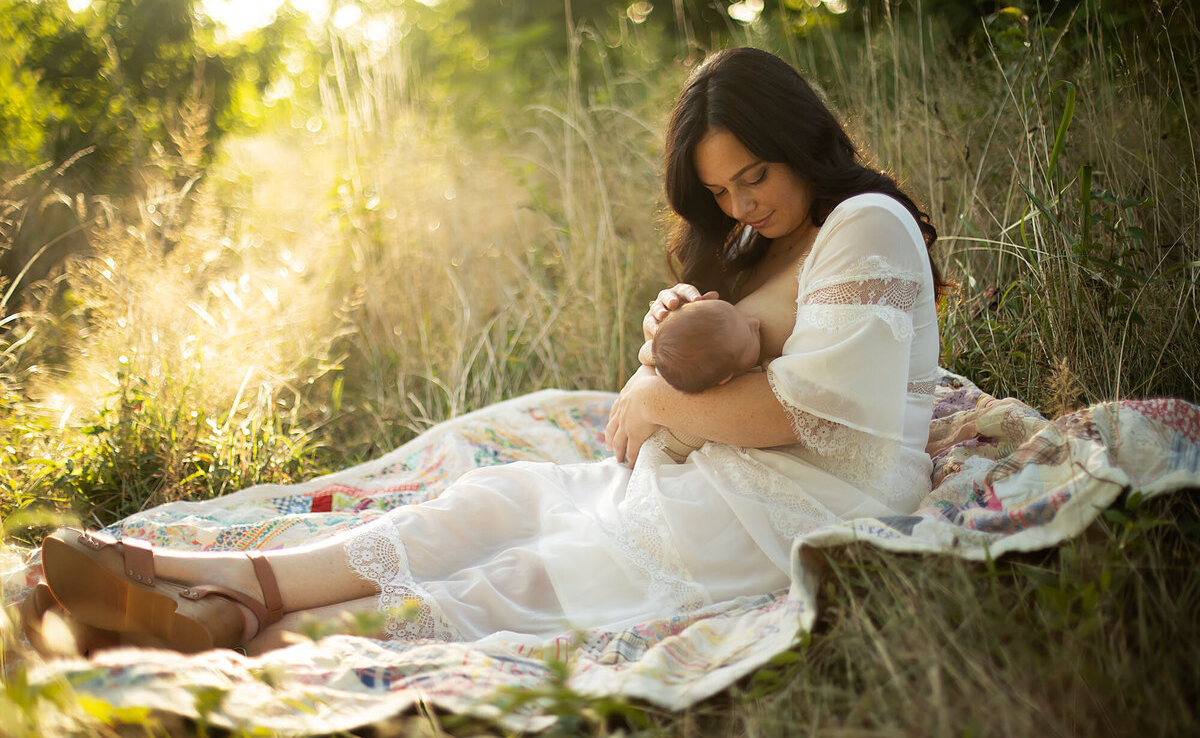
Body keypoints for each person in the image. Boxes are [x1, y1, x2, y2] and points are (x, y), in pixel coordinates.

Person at [29, 47, 945, 656]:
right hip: (719, 472)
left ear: (801, 141)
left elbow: (805, 415)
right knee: (490, 499)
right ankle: (215, 584)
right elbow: (724, 360)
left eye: (757, 175)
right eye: (721, 190)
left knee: (519, 579)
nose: (744, 205)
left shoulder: (863, 225)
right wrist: (670, 337)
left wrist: (660, 404)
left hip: (807, 498)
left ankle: (258, 642)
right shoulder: (754, 243)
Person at [643, 297, 766, 461]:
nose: (755, 322)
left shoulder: (668, 366)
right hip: (654, 456)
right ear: (725, 379)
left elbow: (649, 352)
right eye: (751, 334)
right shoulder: (705, 423)